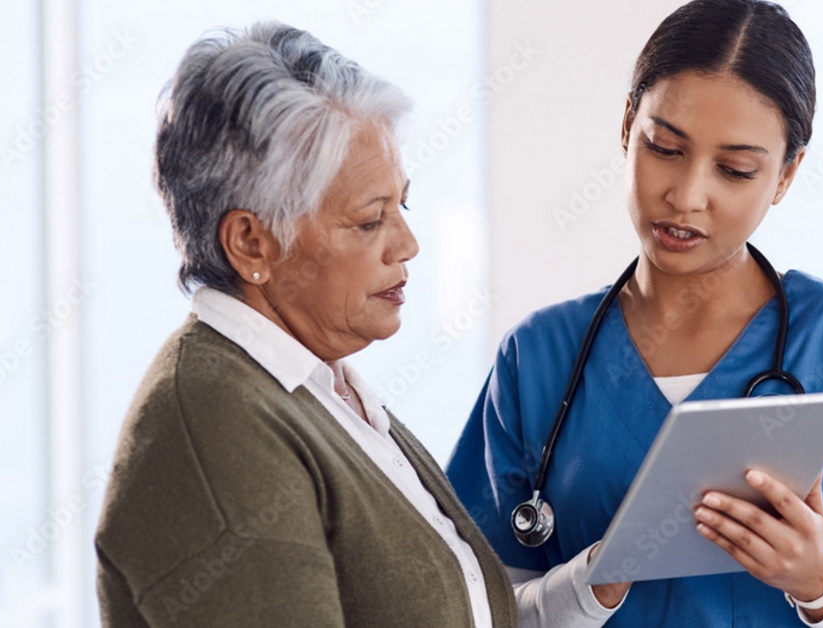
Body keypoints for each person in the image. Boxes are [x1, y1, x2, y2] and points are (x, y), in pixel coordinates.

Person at [446, 1, 823, 626]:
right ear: (628, 125)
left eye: (734, 170)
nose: (686, 195)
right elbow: (484, 612)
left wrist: (818, 580)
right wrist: (590, 584)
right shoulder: (539, 357)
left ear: (786, 175)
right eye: (665, 148)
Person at [93, 22, 522, 627]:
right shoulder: (214, 427)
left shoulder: (320, 390)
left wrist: (594, 583)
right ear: (251, 243)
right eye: (370, 221)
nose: (408, 243)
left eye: (402, 205)